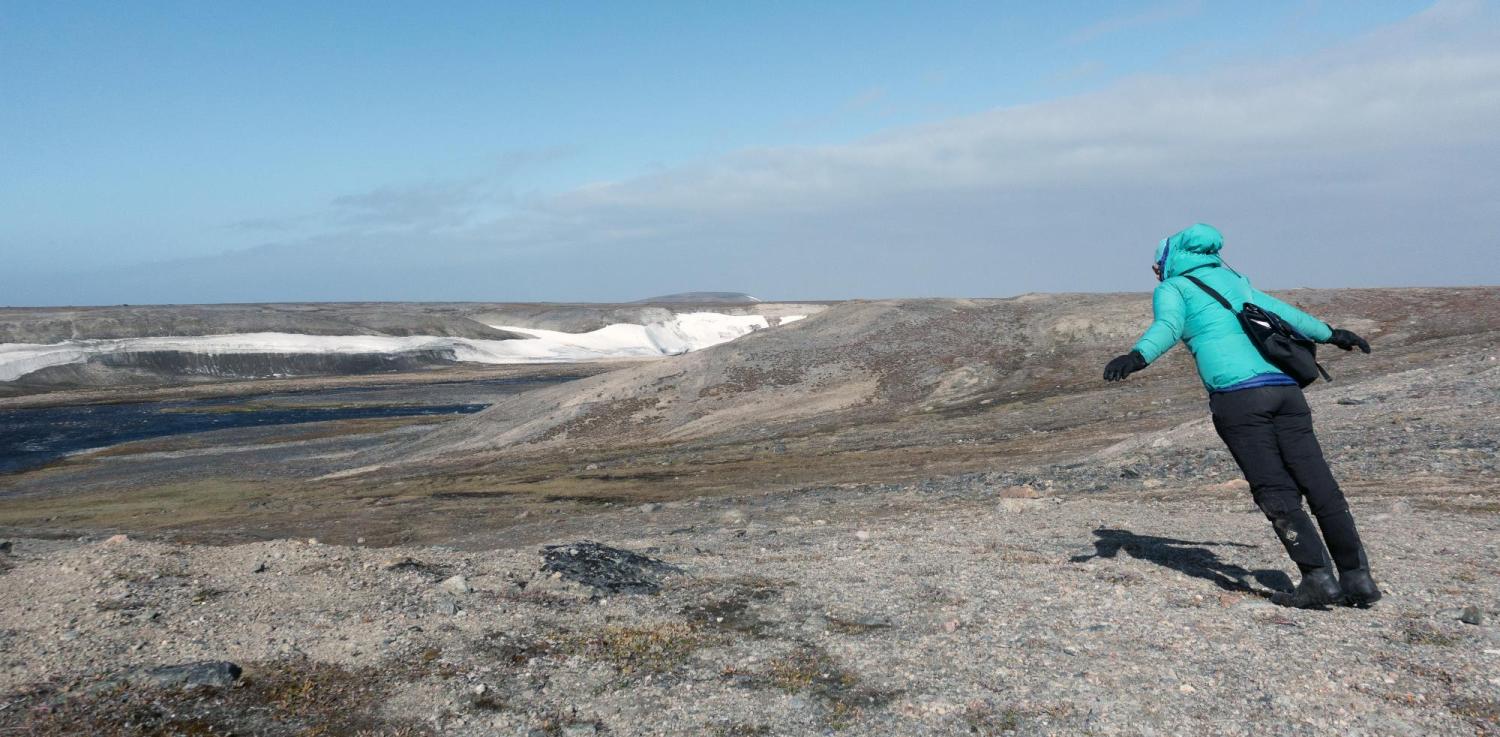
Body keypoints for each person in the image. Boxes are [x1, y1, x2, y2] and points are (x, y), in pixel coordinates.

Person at [1102, 223, 1381, 609]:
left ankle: (1318, 579)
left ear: (1169, 260)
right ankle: (1357, 577)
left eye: (1155, 263)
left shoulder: (1174, 289)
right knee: (1319, 483)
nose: (1154, 271)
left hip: (1240, 399)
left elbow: (1167, 326)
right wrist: (1332, 334)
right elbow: (1287, 313)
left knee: (1275, 489)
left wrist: (1137, 357)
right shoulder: (1236, 281)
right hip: (1285, 391)